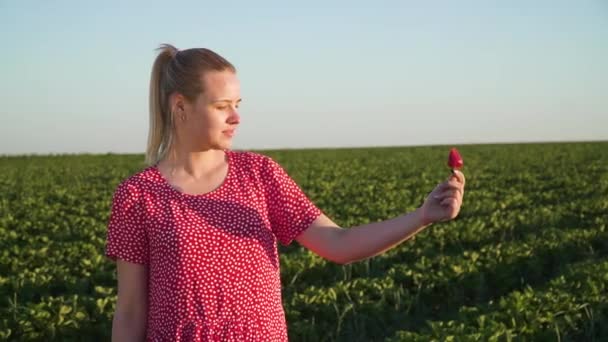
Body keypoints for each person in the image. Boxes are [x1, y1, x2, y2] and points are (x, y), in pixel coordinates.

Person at [104, 43, 466, 342]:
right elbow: (131, 311)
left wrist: (421, 217)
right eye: (221, 106)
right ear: (180, 105)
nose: (236, 117)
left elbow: (339, 244)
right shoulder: (138, 196)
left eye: (238, 105)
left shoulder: (260, 175)